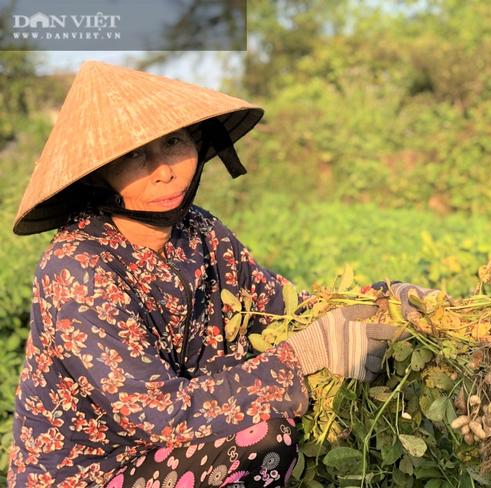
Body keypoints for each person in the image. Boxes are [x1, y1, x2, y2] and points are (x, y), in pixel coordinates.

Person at [8, 62, 440, 488]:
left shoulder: (201, 233)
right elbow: (160, 413)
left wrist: (384, 298)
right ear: (97, 174)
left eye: (174, 142)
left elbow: (282, 310)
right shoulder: (78, 268)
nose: (165, 171)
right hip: (97, 473)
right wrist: (302, 357)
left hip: (179, 452)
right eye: (135, 155)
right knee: (264, 440)